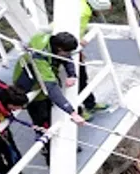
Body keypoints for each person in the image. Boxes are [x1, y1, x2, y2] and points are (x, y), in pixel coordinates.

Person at [12, 30, 86, 159]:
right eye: (67, 51)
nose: (69, 55)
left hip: (41, 84)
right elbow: (50, 87)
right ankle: (48, 150)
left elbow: (65, 58)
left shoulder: (49, 41)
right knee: (42, 120)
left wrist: (72, 74)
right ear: (59, 48)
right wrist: (72, 112)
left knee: (52, 116)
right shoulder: (39, 58)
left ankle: (59, 144)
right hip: (31, 88)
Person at [77, 0, 110, 120]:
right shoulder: (83, 12)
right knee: (71, 82)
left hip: (72, 48)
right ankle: (78, 112)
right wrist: (76, 42)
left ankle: (90, 104)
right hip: (64, 50)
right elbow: (68, 30)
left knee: (82, 78)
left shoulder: (81, 5)